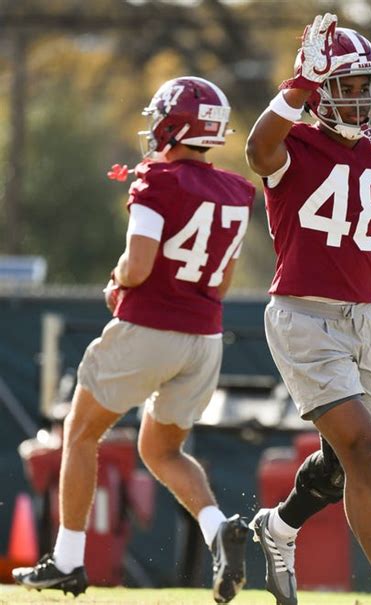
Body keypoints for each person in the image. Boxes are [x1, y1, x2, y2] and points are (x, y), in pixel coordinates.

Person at [13, 76, 255, 604]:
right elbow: (224, 278)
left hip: (150, 328)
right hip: (204, 337)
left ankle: (68, 561)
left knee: (78, 432)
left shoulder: (155, 179)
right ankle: (219, 529)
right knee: (161, 449)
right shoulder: (239, 191)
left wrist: (117, 280)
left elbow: (140, 266)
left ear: (175, 123)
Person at [245, 13, 371, 605]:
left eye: (365, 86)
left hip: (362, 320)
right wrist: (298, 84)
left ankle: (277, 527)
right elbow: (258, 148)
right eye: (345, 86)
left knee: (343, 468)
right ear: (319, 91)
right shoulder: (294, 146)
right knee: (366, 448)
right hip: (303, 317)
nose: (358, 99)